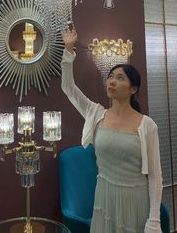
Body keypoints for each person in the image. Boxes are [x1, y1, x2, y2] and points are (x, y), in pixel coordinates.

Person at [61, 27, 163, 233]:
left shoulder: (147, 125)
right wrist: (68, 51)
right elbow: (68, 88)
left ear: (133, 89)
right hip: (104, 196)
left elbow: (155, 176)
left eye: (120, 78)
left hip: (134, 200)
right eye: (110, 77)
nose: (112, 81)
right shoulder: (96, 113)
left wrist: (154, 219)